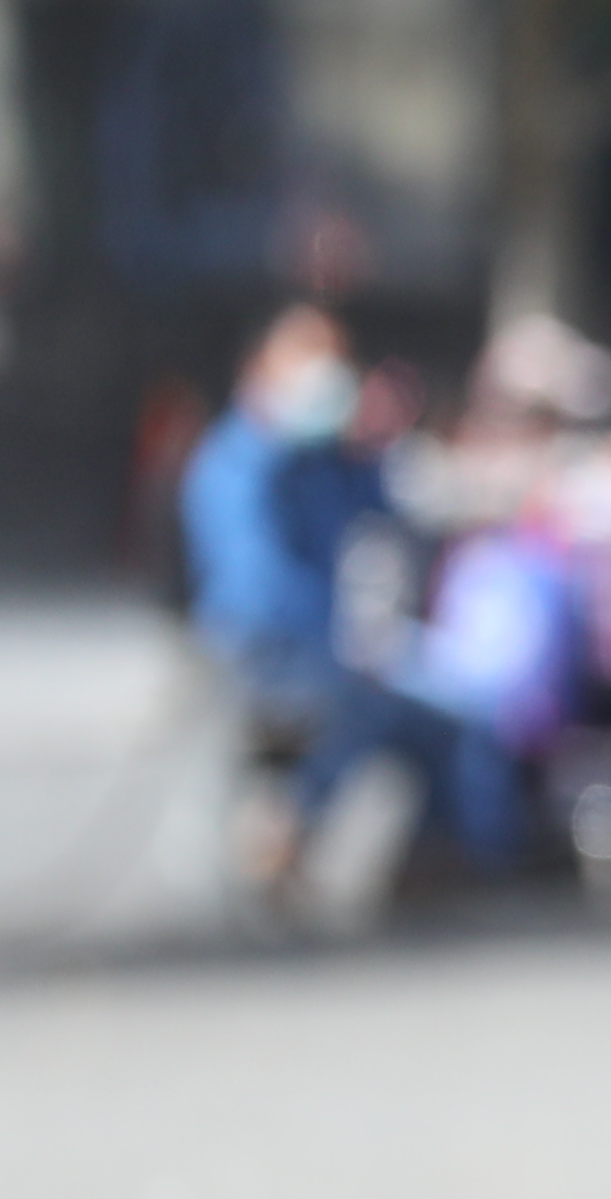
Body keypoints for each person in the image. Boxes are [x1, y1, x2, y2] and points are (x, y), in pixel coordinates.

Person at [176, 303, 520, 922]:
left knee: (456, 719)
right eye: (307, 361)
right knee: (355, 708)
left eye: (334, 362)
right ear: (262, 370)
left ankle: (434, 866)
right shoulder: (236, 464)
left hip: (333, 656)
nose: (326, 378)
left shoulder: (329, 460)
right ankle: (283, 833)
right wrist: (339, 659)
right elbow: (255, 597)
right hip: (264, 661)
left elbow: (413, 499)